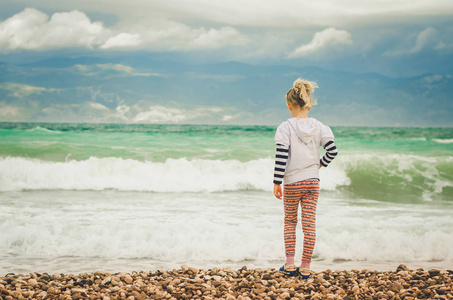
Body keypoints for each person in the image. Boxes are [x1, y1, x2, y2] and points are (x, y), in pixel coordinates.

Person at [273, 78, 338, 279]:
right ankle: (306, 266)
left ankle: (290, 264)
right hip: (312, 182)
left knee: (290, 222)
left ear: (289, 105)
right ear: (308, 105)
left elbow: (282, 157)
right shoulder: (320, 127)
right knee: (309, 224)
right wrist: (320, 163)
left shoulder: (285, 127)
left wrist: (276, 181)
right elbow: (333, 151)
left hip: (292, 183)